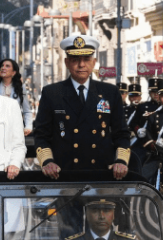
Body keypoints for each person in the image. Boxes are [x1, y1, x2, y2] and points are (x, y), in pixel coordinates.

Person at [32, 34, 130, 179]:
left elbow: (121, 133)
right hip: (64, 174)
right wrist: (47, 161)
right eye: (75, 60)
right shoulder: (52, 93)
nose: (81, 65)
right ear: (66, 62)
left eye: (86, 59)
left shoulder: (109, 92)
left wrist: (121, 161)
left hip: (102, 174)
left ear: (94, 62)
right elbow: (41, 135)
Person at [62, 199, 144, 240]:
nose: (101, 216)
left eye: (107, 211)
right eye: (95, 211)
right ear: (86, 214)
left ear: (113, 214)